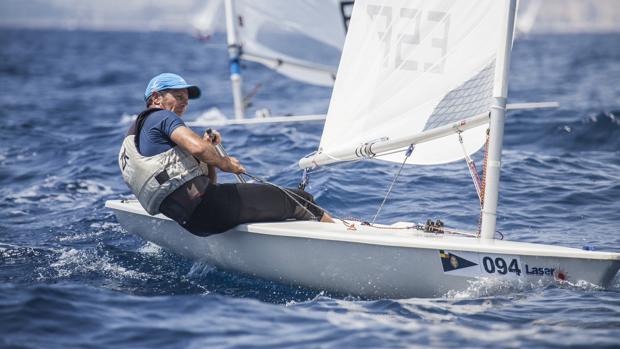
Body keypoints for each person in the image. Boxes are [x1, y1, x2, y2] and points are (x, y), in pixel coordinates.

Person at [118, 73, 333, 236]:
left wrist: (209, 160)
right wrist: (225, 162)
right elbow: (199, 149)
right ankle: (338, 235)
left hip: (193, 222)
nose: (185, 102)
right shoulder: (161, 117)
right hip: (210, 209)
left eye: (186, 98)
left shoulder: (140, 137)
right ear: (156, 98)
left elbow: (208, 182)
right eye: (178, 96)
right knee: (301, 199)